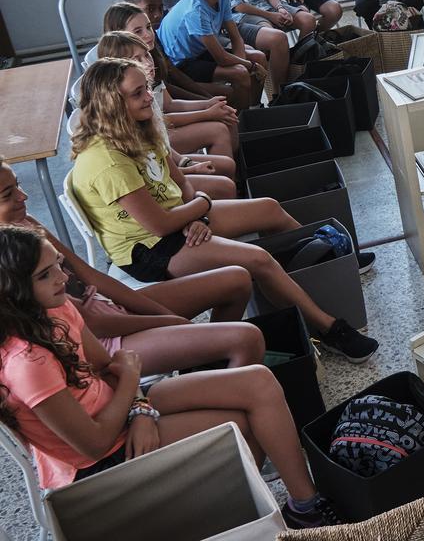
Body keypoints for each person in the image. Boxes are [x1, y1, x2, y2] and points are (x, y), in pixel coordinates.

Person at [0, 227, 342, 528]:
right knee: (240, 426)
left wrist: (140, 408)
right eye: (46, 274)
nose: (63, 277)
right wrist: (134, 392)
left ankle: (303, 507)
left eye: (58, 264)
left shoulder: (55, 307)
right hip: (98, 463)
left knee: (258, 381)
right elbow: (93, 443)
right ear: (12, 290)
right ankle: (229, 520)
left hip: (118, 411)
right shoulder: (27, 363)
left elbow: (109, 365)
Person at [69, 58, 378, 363]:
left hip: (178, 219)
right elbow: (160, 226)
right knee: (257, 260)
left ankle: (328, 264)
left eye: (146, 88)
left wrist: (199, 215)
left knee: (269, 209)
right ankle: (328, 328)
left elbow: (182, 186)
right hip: (149, 248)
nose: (150, 96)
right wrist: (199, 208)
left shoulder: (139, 125)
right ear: (111, 104)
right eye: (137, 93)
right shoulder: (106, 160)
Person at [0, 159, 259, 373]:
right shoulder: (9, 261)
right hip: (98, 344)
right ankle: (218, 389)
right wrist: (163, 321)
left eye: (18, 186)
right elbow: (88, 323)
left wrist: (163, 316)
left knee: (237, 280)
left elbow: (90, 276)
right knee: (244, 339)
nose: (23, 196)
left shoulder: (27, 224)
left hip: (106, 309)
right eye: (7, 195)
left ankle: (205, 370)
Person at [78, 2, 239, 160]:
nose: (147, 35)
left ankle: (235, 174)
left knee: (225, 116)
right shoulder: (125, 76)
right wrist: (206, 113)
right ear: (120, 36)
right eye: (138, 31)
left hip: (159, 127)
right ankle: (226, 176)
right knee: (218, 129)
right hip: (144, 138)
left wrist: (208, 103)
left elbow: (168, 104)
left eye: (148, 27)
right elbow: (158, 118)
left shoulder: (148, 59)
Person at [87, 32, 237, 200]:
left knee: (227, 166)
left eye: (147, 55)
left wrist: (185, 163)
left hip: (166, 162)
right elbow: (155, 169)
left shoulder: (144, 90)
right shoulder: (130, 113)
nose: (147, 62)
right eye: (137, 59)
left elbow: (161, 142)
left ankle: (231, 203)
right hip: (160, 183)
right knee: (224, 183)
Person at [156, 0, 268, 110]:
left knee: (258, 57)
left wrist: (246, 63)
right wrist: (250, 67)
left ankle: (255, 108)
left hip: (199, 52)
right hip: (181, 63)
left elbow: (236, 38)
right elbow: (221, 57)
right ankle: (242, 122)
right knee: (241, 73)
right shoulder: (195, 10)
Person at [122, 0, 234, 103]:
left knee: (226, 94)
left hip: (170, 91)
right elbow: (166, 91)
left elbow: (175, 74)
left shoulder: (153, 36)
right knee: (225, 95)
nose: (158, 14)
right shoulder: (127, 53)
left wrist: (207, 99)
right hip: (161, 101)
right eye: (150, 9)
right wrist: (205, 102)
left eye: (160, 8)